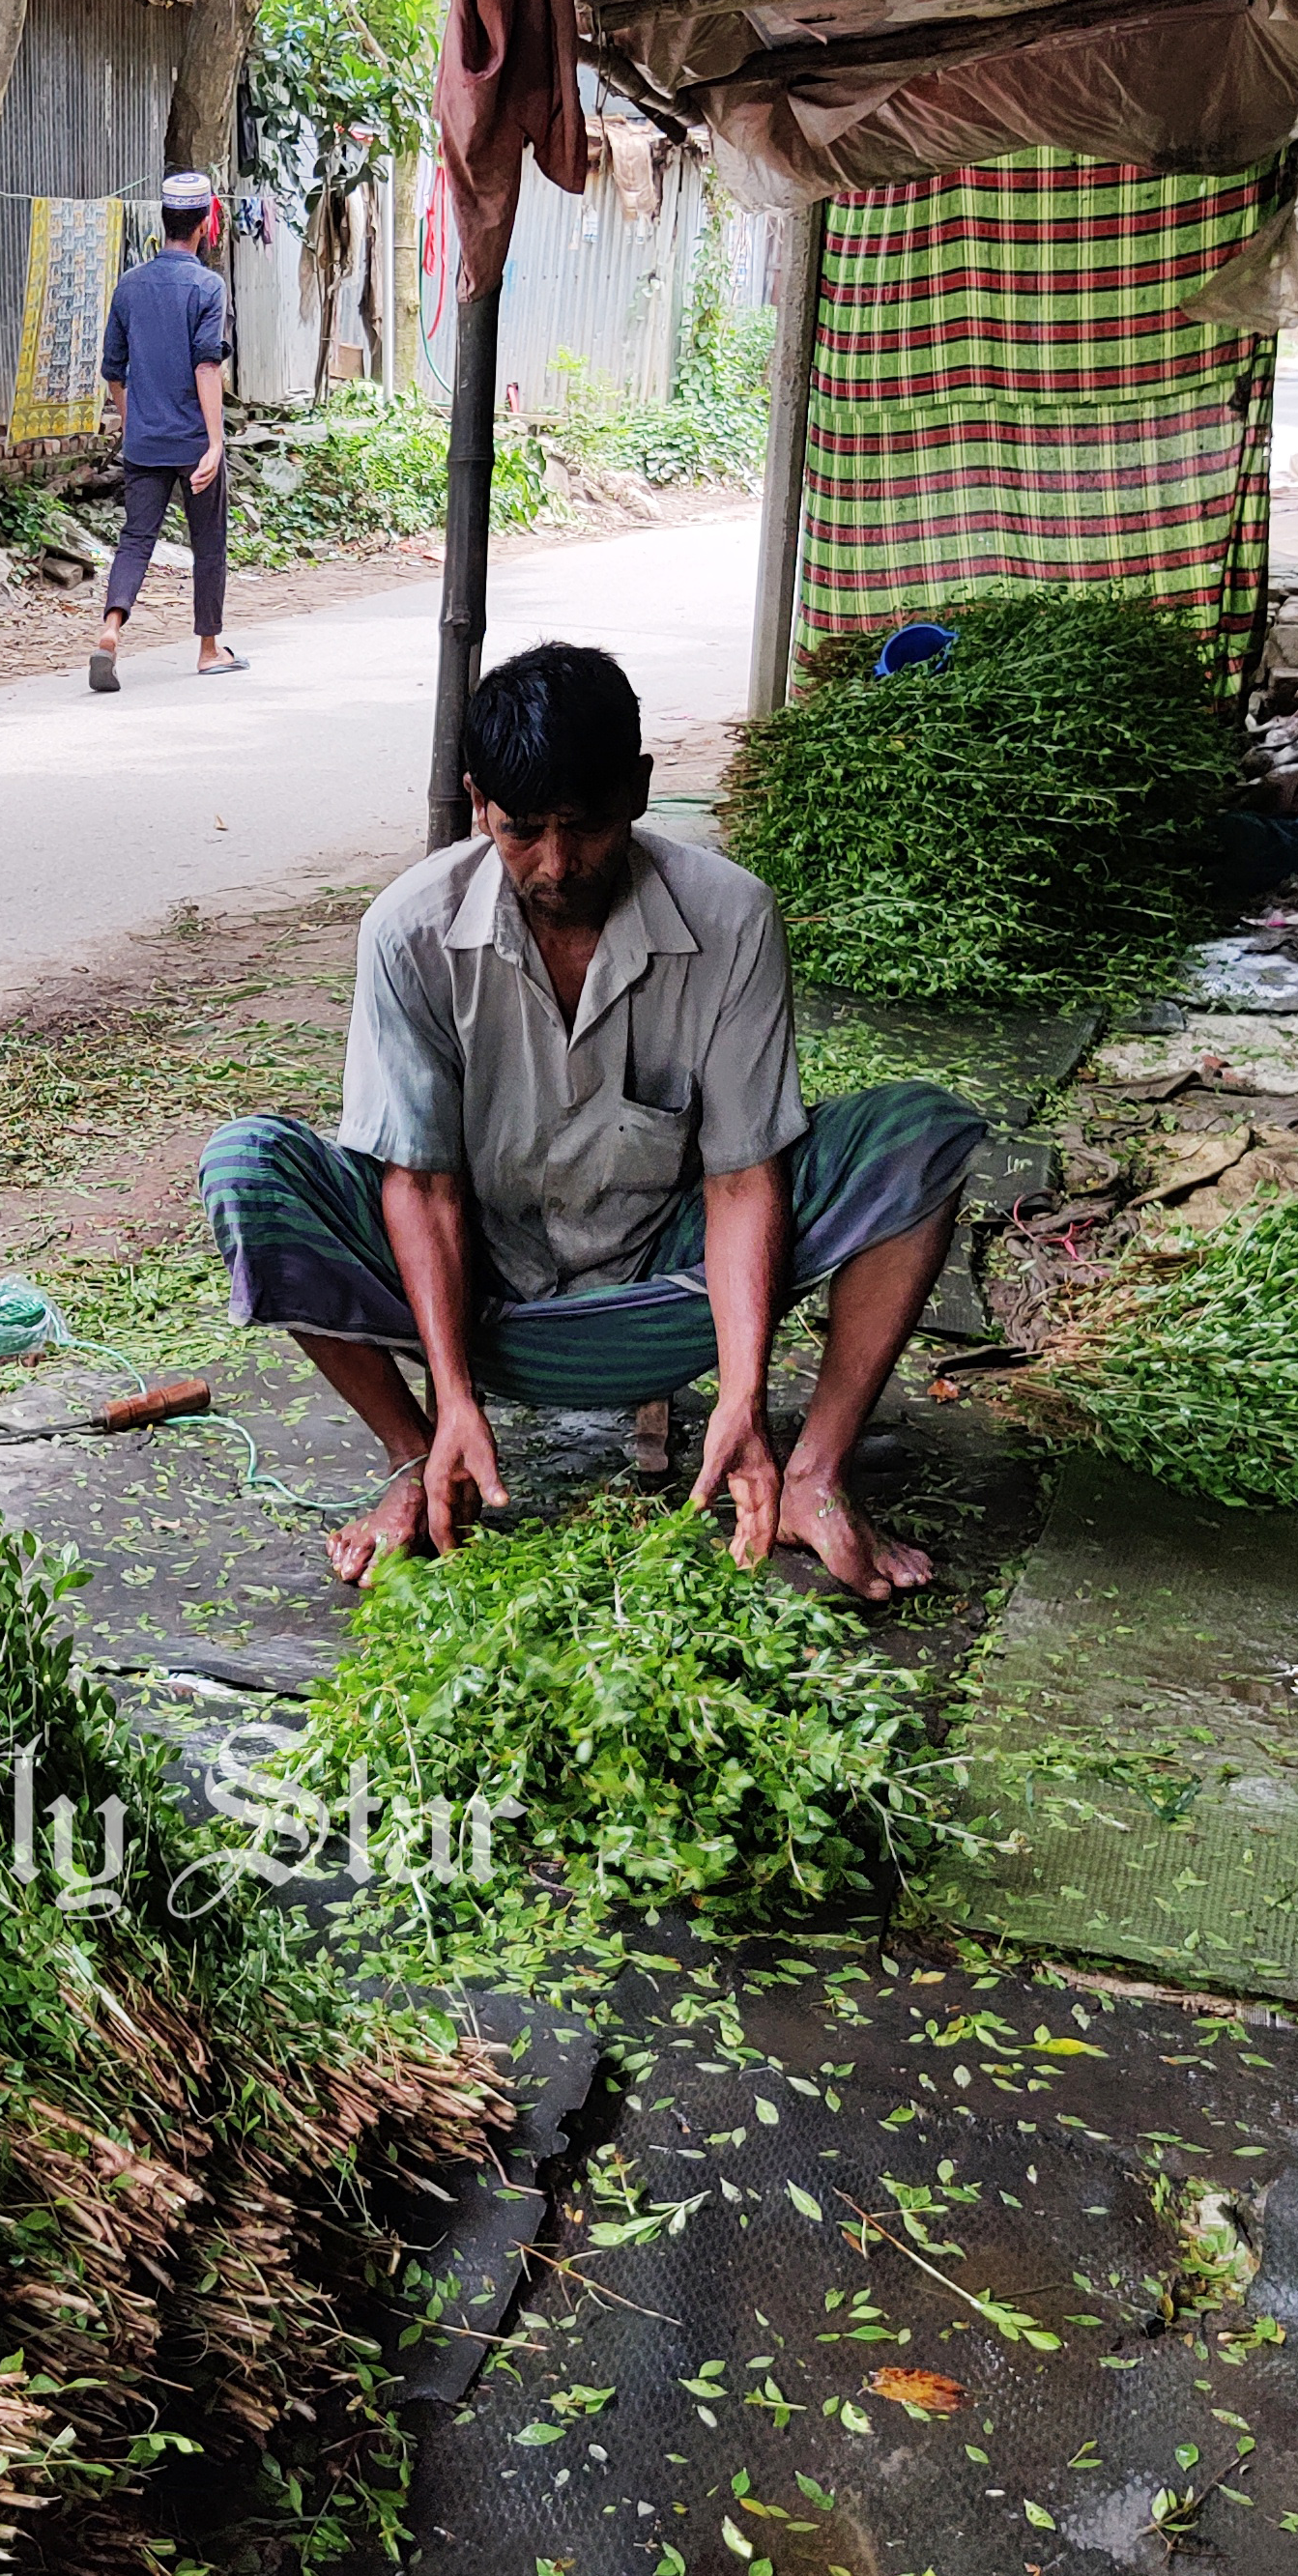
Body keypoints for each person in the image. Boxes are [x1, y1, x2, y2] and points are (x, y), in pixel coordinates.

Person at [198, 642, 987, 1595]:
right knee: (248, 1167)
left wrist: (745, 1396)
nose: (558, 864)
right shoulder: (409, 932)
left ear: (641, 790)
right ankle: (419, 1461)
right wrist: (451, 1396)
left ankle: (814, 1477)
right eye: (523, 829)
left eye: (586, 825)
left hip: (669, 1286)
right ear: (477, 800)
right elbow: (423, 1183)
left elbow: (743, 1175)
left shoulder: (732, 918)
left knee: (921, 1138)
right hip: (471, 1303)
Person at [91, 170, 244, 691]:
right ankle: (207, 649)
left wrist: (135, 425)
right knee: (208, 541)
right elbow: (207, 366)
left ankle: (111, 631)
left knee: (136, 539)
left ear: (164, 222)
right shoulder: (207, 285)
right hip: (193, 441)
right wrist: (216, 441)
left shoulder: (130, 285)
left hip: (145, 441)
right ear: (204, 224)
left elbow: (114, 370)